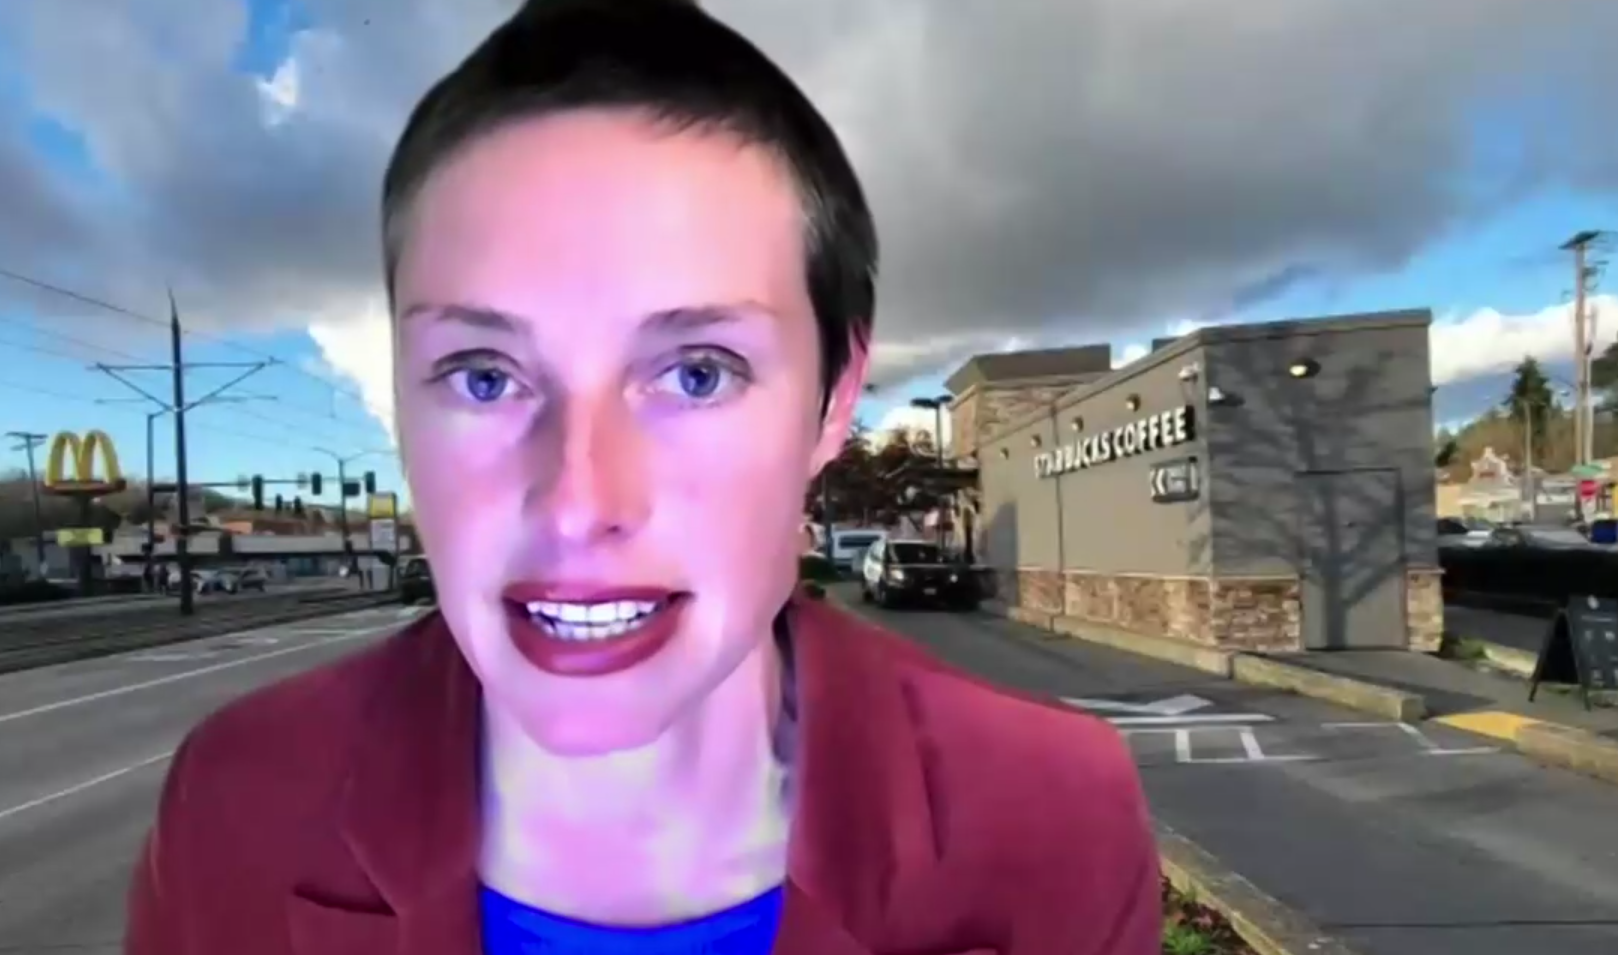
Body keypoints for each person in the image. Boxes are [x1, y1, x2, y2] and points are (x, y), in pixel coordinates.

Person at [124, 2, 1160, 953]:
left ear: (835, 396)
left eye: (695, 373)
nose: (579, 501)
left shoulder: (1051, 811)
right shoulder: (237, 800)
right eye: (484, 377)